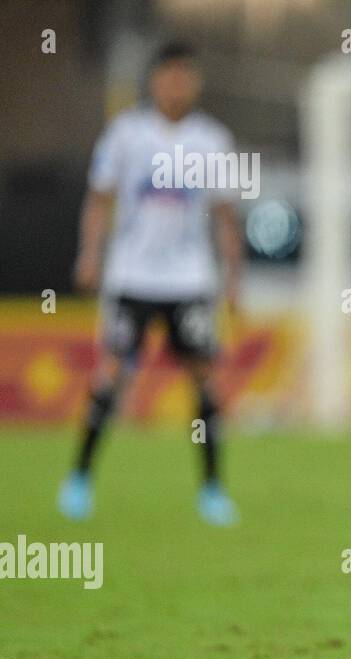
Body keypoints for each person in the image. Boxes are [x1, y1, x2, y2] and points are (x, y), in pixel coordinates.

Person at [59, 42, 242, 526]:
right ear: (155, 80)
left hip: (190, 278)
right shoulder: (127, 134)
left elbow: (226, 215)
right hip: (132, 276)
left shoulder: (211, 140)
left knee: (204, 379)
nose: (176, 85)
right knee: (113, 374)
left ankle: (212, 490)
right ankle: (79, 479)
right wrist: (90, 254)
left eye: (185, 76)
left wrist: (233, 278)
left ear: (195, 82)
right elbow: (99, 199)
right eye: (169, 76)